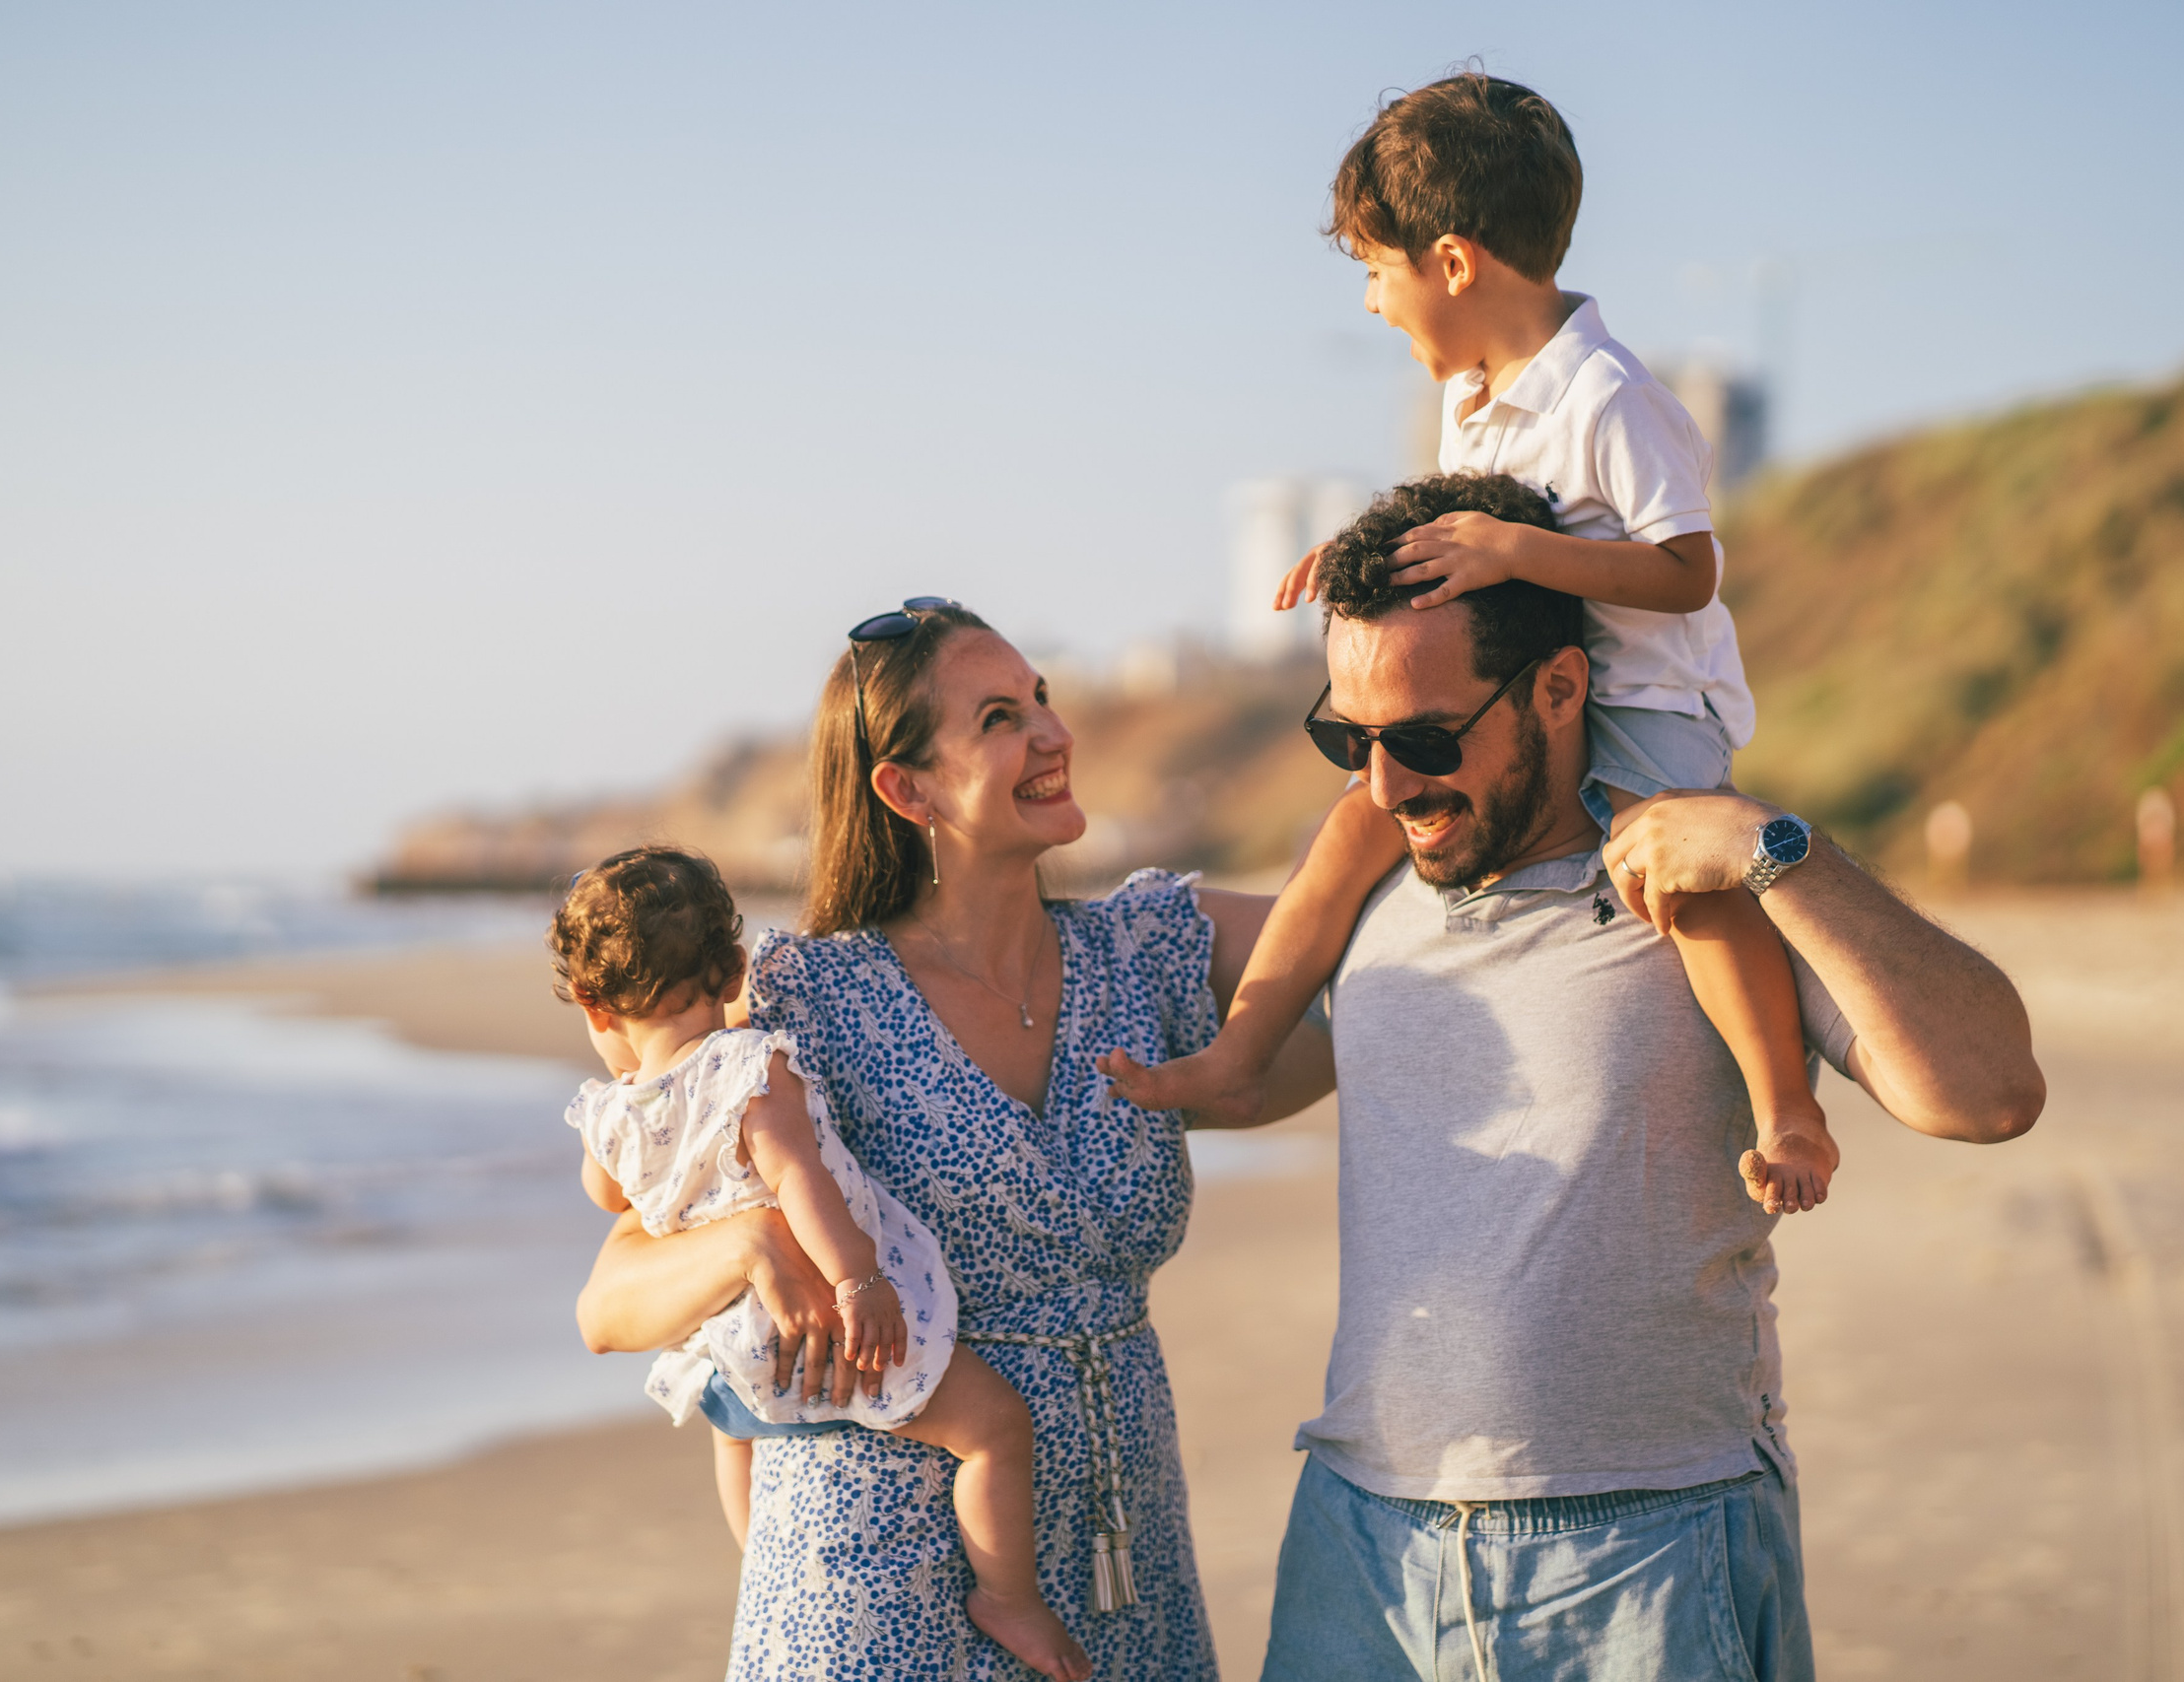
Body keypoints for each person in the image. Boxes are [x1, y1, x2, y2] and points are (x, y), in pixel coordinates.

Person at [1184, 479, 2043, 1681]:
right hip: (1361, 1555)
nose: (1385, 788)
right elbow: (1243, 1077)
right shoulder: (1375, 891)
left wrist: (1769, 849)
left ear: (1558, 687)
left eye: (1426, 740)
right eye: (1349, 741)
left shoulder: (1698, 895)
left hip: (1644, 1555)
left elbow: (1988, 1092)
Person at [1106, 74, 1837, 1218]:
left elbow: (1685, 571)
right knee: (1344, 833)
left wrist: (1519, 552)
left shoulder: (1610, 398)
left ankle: (1785, 1106)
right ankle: (1241, 1051)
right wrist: (1361, 551)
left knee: (1684, 881)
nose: (1368, 303)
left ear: (1450, 263)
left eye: (1373, 270)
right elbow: (1451, 520)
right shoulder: (1470, 392)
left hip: (1644, 703)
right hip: (1523, 690)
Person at [571, 601, 1272, 1681]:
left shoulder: (1139, 950)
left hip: (1125, 1563)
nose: (1053, 733)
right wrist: (753, 1245)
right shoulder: (802, 998)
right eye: (1000, 717)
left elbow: (1375, 949)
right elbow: (609, 1299)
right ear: (907, 790)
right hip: (876, 1586)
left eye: (1041, 699)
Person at [549, 846, 1090, 1681]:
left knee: (740, 1441)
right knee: (992, 1429)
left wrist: (639, 1104)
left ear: (592, 1004)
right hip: (818, 1326)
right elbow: (798, 1177)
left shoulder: (608, 1115)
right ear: (735, 968)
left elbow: (608, 1195)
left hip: (726, 1351)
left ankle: (764, 1569)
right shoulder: (748, 1068)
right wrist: (859, 1280)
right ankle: (1009, 1598)